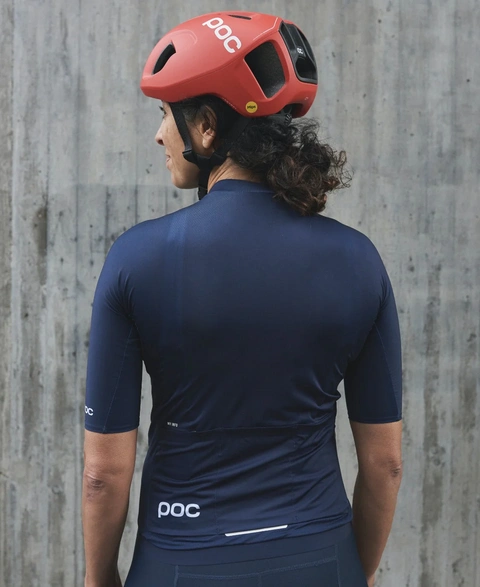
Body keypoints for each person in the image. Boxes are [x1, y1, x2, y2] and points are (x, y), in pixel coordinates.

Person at [82, 11, 402, 587]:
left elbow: (103, 474)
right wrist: (356, 573)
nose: (160, 135)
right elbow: (385, 463)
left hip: (181, 557)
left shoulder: (137, 258)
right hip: (321, 558)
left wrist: (97, 577)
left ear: (207, 127)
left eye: (166, 114)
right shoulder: (359, 259)